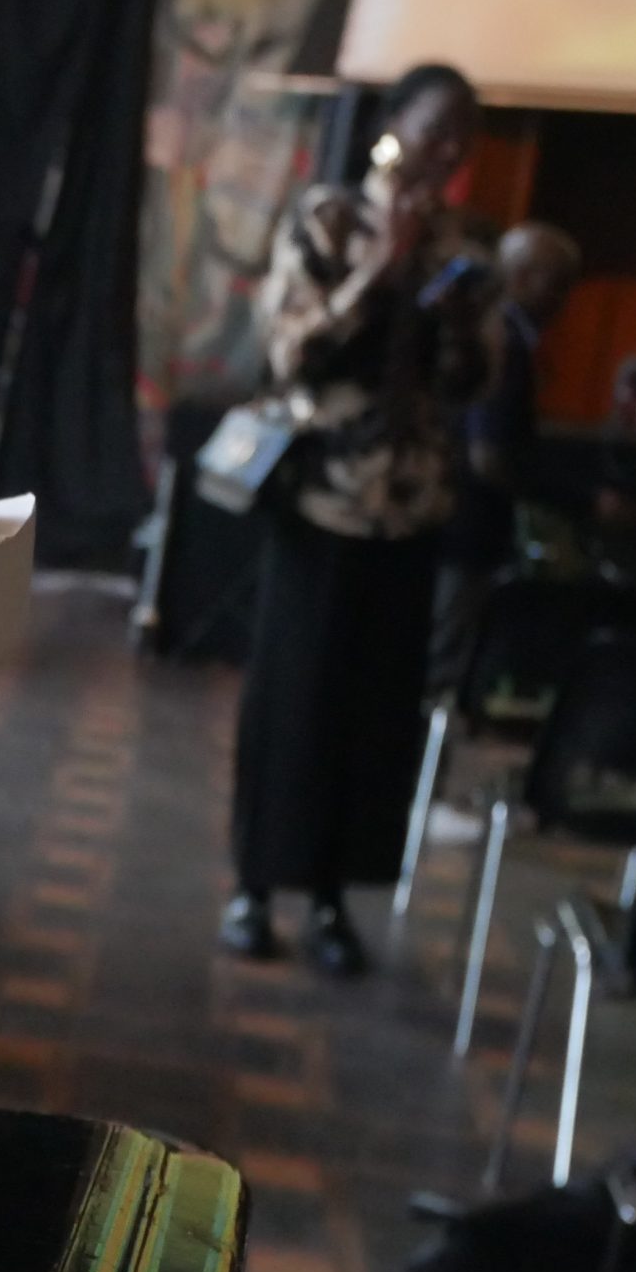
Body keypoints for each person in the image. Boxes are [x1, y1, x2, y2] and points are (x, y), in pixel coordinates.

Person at [222, 62, 491, 977]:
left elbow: (471, 384)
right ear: (395, 122)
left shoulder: (464, 242)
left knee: (375, 715)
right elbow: (289, 352)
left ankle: (335, 899)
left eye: (463, 134)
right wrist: (376, 272)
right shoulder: (330, 218)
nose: (447, 148)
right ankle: (255, 887)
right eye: (435, 126)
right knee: (293, 701)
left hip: (411, 511)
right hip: (323, 502)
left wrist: (461, 316)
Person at [428, 221, 582, 690]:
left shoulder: (484, 331)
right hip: (468, 530)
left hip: (446, 522)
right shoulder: (506, 342)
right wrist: (577, 502)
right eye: (557, 283)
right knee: (440, 670)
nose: (564, 299)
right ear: (521, 276)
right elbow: (489, 457)